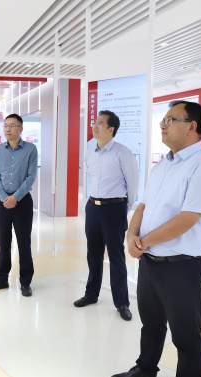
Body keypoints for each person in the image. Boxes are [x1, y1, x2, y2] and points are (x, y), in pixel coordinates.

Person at [110, 101, 201, 377]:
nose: (163, 124)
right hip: (151, 262)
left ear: (192, 127)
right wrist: (131, 236)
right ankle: (146, 368)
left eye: (171, 119)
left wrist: (143, 241)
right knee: (151, 324)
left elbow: (187, 219)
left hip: (182, 267)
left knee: (186, 337)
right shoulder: (162, 165)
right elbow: (143, 206)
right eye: (163, 119)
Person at [74, 110, 138, 322]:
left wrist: (123, 209)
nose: (95, 126)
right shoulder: (89, 152)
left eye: (100, 123)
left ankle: (122, 302)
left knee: (116, 255)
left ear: (111, 129)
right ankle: (91, 294)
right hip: (93, 207)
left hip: (114, 208)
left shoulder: (123, 153)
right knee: (93, 254)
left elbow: (132, 184)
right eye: (94, 122)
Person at [0, 114, 38, 297]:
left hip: (22, 201)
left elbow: (31, 176)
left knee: (24, 243)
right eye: (5, 126)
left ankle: (25, 282)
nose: (7, 129)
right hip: (2, 202)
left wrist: (15, 197)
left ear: (21, 129)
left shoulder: (31, 149)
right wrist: (3, 197)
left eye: (12, 126)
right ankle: (2, 279)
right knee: (3, 241)